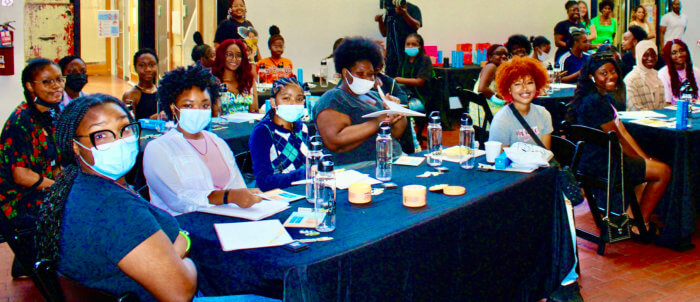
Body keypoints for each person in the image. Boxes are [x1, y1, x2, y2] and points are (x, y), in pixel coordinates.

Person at [32, 93, 197, 301]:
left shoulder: (76, 185)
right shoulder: (114, 208)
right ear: (75, 146)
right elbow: (180, 292)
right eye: (101, 135)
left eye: (125, 129)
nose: (120, 142)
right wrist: (183, 244)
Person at [569, 53, 671, 235]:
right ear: (592, 77)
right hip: (604, 164)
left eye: (613, 71)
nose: (610, 76)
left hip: (598, 159)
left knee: (651, 164)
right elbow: (619, 139)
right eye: (603, 73)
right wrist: (643, 160)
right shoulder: (595, 103)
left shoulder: (601, 98)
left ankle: (631, 218)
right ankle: (642, 225)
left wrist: (644, 158)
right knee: (663, 171)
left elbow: (622, 131)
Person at [144, 65, 262, 216]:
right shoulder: (159, 149)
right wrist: (228, 196)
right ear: (173, 108)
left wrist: (246, 197)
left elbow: (237, 185)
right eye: (188, 105)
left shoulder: (217, 142)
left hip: (227, 222)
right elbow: (179, 199)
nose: (197, 111)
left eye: (204, 105)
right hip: (184, 229)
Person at [0, 59, 63, 278]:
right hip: (18, 198)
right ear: (30, 86)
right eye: (47, 82)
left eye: (58, 79)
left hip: (38, 188)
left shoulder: (49, 114)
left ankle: (33, 259)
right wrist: (58, 188)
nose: (57, 86)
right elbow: (21, 175)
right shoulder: (21, 121)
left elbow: (53, 162)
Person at [313, 37, 407, 166]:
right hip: (360, 167)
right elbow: (335, 141)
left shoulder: (375, 96)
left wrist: (396, 111)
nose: (367, 78)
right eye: (360, 73)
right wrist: (377, 122)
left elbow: (396, 132)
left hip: (393, 158)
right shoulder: (334, 98)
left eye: (370, 74)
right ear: (345, 73)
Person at [249, 77, 308, 191]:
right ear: (273, 102)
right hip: (276, 194)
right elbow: (263, 181)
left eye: (299, 99)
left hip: (301, 189)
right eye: (286, 98)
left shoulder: (303, 128)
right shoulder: (263, 132)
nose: (293, 104)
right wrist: (300, 174)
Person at [488, 56, 552, 148]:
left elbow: (546, 154)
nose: (525, 88)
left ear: (537, 85)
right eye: (517, 84)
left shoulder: (543, 114)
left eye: (530, 83)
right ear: (509, 89)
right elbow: (500, 159)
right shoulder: (502, 120)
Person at [374, 0, 422, 77]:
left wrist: (404, 14)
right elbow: (384, 33)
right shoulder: (390, 11)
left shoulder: (413, 8)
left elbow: (416, 26)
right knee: (391, 82)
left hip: (408, 53)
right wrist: (380, 21)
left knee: (407, 79)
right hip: (392, 56)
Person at [212, 39, 258, 114]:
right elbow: (215, 114)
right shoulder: (214, 82)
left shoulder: (248, 80)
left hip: (247, 124)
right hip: (222, 124)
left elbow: (254, 111)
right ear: (221, 56)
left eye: (238, 55)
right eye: (229, 54)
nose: (234, 59)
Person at [395, 33, 433, 113]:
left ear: (420, 46)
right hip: (404, 95)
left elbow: (420, 81)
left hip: (420, 97)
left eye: (414, 44)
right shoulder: (404, 60)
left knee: (404, 109)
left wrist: (398, 80)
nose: (410, 46)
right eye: (408, 44)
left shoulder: (425, 59)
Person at [624, 40, 666, 111]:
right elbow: (634, 108)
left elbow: (662, 106)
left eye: (654, 55)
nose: (650, 58)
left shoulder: (657, 76)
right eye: (646, 55)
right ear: (639, 56)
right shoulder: (631, 79)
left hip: (658, 121)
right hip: (636, 121)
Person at [122, 48, 162, 120]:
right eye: (142, 65)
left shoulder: (162, 92)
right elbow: (130, 125)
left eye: (151, 65)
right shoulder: (131, 95)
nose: (148, 69)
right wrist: (152, 119)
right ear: (135, 68)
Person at [658, 39, 699, 104]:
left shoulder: (696, 71)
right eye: (674, 53)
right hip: (674, 111)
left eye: (681, 50)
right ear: (668, 56)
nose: (679, 55)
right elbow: (667, 103)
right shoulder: (663, 74)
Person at [474, 44, 508, 117]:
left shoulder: (497, 69)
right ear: (490, 57)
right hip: (486, 111)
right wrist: (501, 102)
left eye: (506, 54)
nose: (504, 56)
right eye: (499, 54)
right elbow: (482, 89)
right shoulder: (491, 67)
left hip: (484, 108)